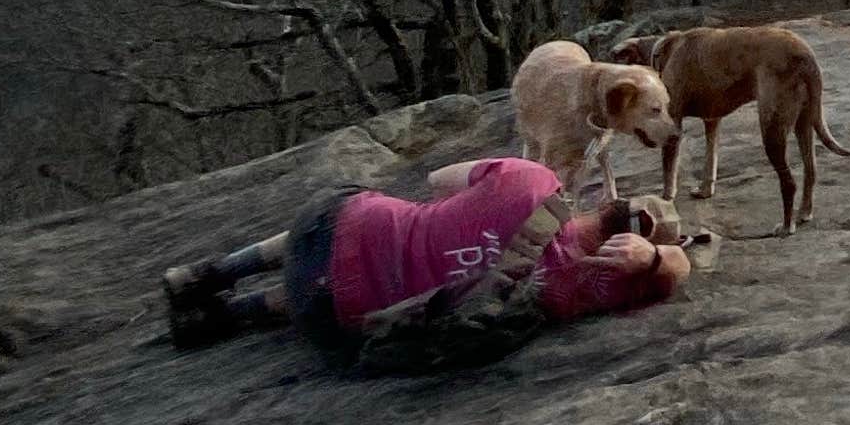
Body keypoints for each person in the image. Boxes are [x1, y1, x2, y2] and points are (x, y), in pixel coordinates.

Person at [163, 154, 700, 358]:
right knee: (362, 290)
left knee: (365, 214)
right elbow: (681, 271)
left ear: (606, 203)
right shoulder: (587, 287)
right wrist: (655, 261)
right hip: (333, 320)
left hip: (322, 233)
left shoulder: (532, 179)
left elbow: (437, 180)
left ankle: (205, 275)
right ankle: (227, 315)